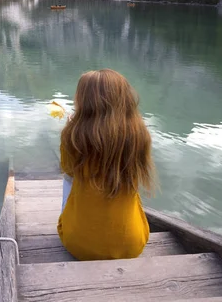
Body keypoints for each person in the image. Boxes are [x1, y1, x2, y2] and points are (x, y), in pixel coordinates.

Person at [58, 69, 156, 260]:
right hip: (132, 245)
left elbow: (68, 171)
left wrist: (70, 130)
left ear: (83, 101)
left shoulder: (72, 136)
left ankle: (80, 225)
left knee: (69, 181)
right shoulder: (139, 135)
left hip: (78, 245)